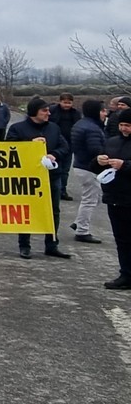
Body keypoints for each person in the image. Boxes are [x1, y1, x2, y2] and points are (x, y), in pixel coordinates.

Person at [6, 98, 71, 260]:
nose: (48, 113)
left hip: (52, 176)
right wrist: (30, 144)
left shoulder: (54, 128)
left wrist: (54, 154)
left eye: (48, 110)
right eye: (44, 110)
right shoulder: (17, 128)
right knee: (27, 211)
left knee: (53, 211)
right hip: (27, 178)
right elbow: (8, 150)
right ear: (34, 112)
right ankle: (24, 245)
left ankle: (52, 245)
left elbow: (64, 147)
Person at [98, 108, 131, 289]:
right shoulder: (111, 142)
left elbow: (124, 166)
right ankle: (126, 274)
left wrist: (124, 165)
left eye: (128, 125)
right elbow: (96, 167)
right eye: (122, 125)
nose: (124, 128)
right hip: (115, 198)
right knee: (121, 240)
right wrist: (99, 161)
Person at [69, 100, 107, 244]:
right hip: (88, 168)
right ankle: (82, 231)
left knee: (95, 198)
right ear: (96, 111)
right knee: (89, 200)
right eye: (102, 110)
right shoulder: (93, 129)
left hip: (80, 165)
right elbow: (95, 150)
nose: (105, 113)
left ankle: (78, 222)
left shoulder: (80, 124)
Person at [48, 93, 81, 200]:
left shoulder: (76, 113)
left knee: (65, 170)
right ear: (60, 101)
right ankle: (52, 190)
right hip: (55, 145)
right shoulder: (52, 111)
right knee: (53, 169)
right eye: (64, 102)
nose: (67, 105)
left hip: (69, 145)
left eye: (69, 103)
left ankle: (62, 190)